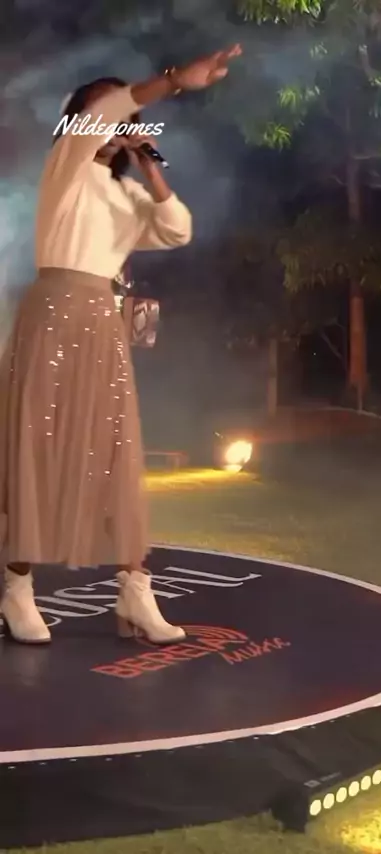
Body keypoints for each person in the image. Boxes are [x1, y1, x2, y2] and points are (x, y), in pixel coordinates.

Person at [0, 45, 242, 646]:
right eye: (106, 114)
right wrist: (174, 82)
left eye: (126, 120)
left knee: (115, 451)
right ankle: (16, 588)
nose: (116, 124)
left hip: (102, 323)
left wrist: (148, 158)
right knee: (38, 446)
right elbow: (105, 111)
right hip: (54, 313)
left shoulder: (126, 197)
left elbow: (177, 229)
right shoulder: (66, 164)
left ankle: (135, 590)